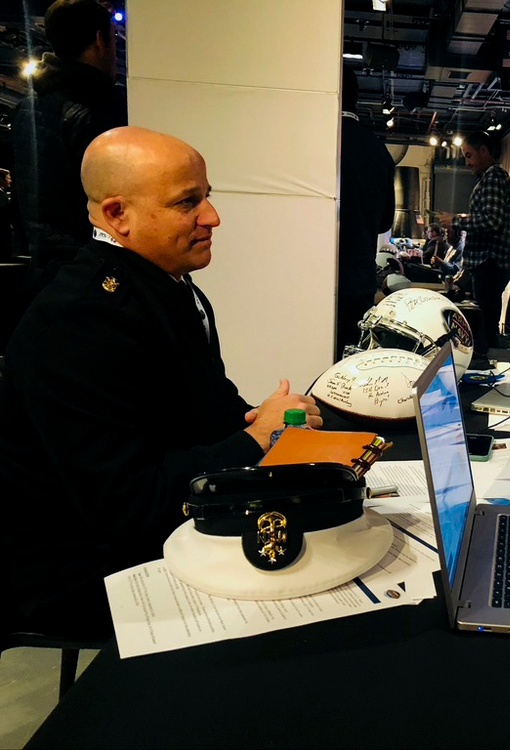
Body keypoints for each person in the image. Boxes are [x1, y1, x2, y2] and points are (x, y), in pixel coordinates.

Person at [0, 126, 322, 638]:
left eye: (206, 197)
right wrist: (255, 438)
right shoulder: (81, 319)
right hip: (87, 570)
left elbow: (207, 407)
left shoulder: (158, 285)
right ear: (117, 215)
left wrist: (263, 417)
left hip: (148, 529)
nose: (212, 217)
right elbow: (130, 507)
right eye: (186, 203)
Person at [11, 0, 128, 290]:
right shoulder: (99, 109)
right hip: (95, 268)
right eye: (113, 39)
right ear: (101, 40)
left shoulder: (30, 106)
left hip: (47, 270)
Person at [439, 132, 510, 364]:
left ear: (484, 150)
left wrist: (455, 221)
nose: (467, 162)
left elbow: (491, 220)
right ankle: (485, 367)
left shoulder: (493, 176)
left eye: (469, 155)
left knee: (486, 322)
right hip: (488, 263)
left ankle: (486, 369)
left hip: (490, 262)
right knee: (486, 320)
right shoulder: (491, 177)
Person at [337, 66, 395, 358]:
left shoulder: (320, 143)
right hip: (359, 279)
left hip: (315, 278)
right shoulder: (378, 151)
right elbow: (385, 221)